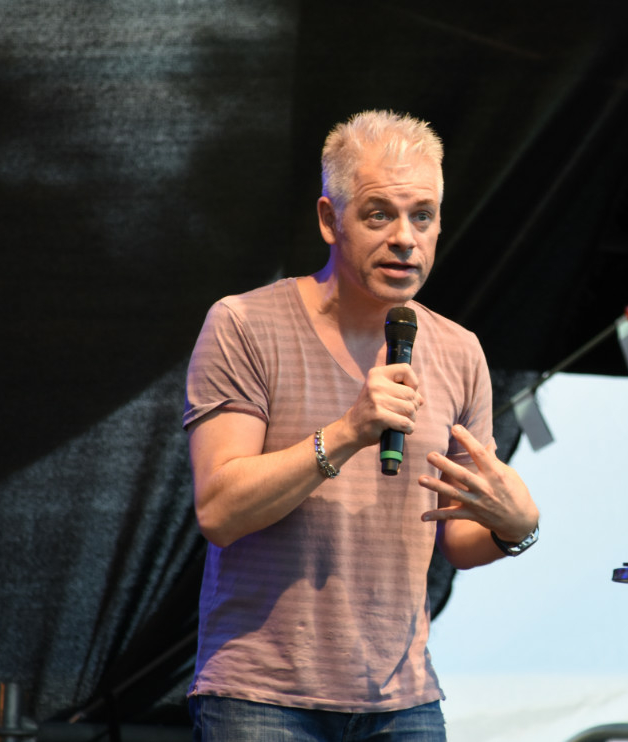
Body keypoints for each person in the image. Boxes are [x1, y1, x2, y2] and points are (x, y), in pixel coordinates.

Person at [182, 109, 540, 741]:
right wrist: (347, 432)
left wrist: (515, 529)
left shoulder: (459, 352)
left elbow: (457, 540)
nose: (405, 237)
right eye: (379, 214)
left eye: (422, 216)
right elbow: (220, 510)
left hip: (403, 701)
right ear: (330, 219)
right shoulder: (244, 325)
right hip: (262, 699)